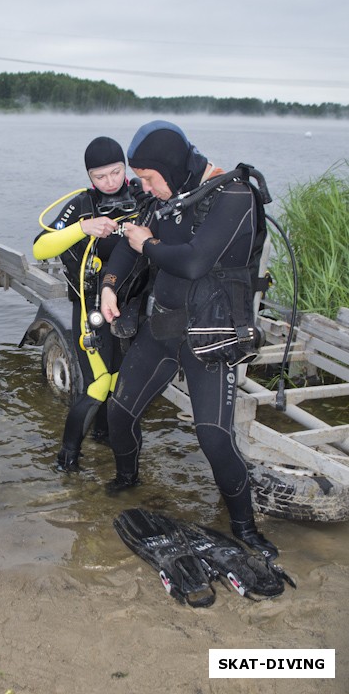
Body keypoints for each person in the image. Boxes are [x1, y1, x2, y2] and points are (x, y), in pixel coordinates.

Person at [100, 120, 278, 559]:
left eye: (147, 177)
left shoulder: (233, 196)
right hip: (162, 328)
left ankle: (245, 527)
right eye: (139, 178)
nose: (143, 185)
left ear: (171, 167)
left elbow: (195, 262)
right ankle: (127, 482)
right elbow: (128, 242)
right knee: (118, 414)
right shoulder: (167, 195)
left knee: (214, 438)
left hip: (210, 335)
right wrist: (109, 284)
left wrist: (146, 246)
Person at [33, 136, 148, 471]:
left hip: (133, 308)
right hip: (91, 308)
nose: (110, 181)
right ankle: (67, 458)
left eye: (115, 172)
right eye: (100, 177)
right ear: (89, 177)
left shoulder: (142, 196)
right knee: (99, 384)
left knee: (121, 384)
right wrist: (83, 228)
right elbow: (41, 247)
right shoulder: (82, 204)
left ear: (125, 168)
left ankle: (107, 437)